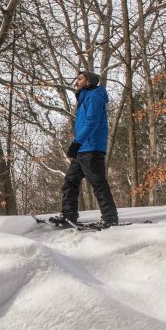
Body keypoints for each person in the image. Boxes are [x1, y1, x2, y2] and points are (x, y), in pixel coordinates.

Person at [51, 71, 119, 228]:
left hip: (91, 148)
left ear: (88, 82)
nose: (77, 81)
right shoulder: (85, 97)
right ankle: (69, 216)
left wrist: (77, 142)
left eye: (80, 79)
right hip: (84, 149)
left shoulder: (94, 97)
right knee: (70, 181)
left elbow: (92, 122)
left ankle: (110, 218)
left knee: (98, 183)